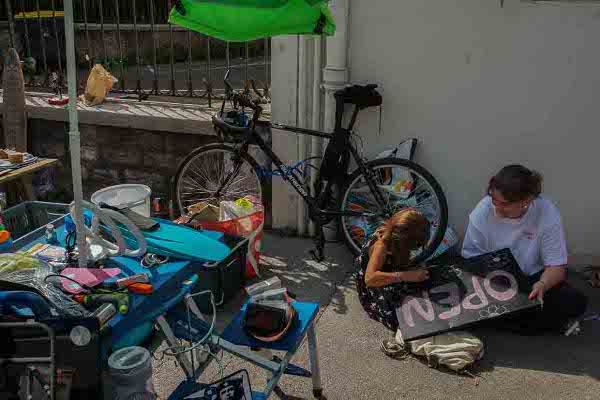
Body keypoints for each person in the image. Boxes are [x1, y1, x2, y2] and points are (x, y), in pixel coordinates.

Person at [462, 165, 587, 334]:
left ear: (526, 201)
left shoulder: (546, 211)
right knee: (465, 298)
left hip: (530, 279)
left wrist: (543, 284)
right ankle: (547, 323)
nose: (497, 208)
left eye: (505, 204)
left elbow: (556, 267)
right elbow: (470, 260)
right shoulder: (483, 210)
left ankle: (499, 320)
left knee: (574, 301)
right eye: (493, 200)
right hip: (493, 279)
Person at [356, 209, 431, 332]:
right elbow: (370, 279)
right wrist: (407, 275)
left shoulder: (394, 232)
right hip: (374, 285)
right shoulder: (381, 246)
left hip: (388, 269)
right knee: (400, 320)